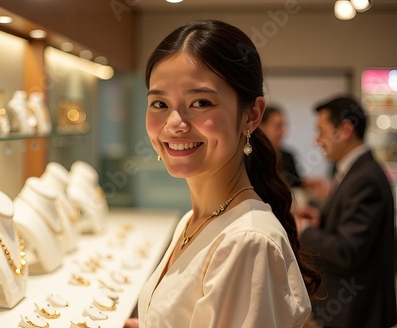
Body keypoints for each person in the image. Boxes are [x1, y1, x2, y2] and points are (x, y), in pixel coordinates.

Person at [124, 19, 320, 328]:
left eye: (200, 102)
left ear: (252, 115)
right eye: (159, 103)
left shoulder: (247, 243)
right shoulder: (193, 220)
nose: (175, 123)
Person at [294, 96, 396, 327]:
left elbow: (348, 250)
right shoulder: (354, 170)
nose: (317, 140)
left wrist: (305, 231)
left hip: (358, 311)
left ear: (345, 130)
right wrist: (321, 220)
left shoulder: (364, 177)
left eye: (322, 131)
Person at [260, 105, 303, 187]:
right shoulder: (252, 157)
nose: (283, 131)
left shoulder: (287, 156)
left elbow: (295, 184)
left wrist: (307, 184)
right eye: (278, 126)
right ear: (261, 127)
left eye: (283, 126)